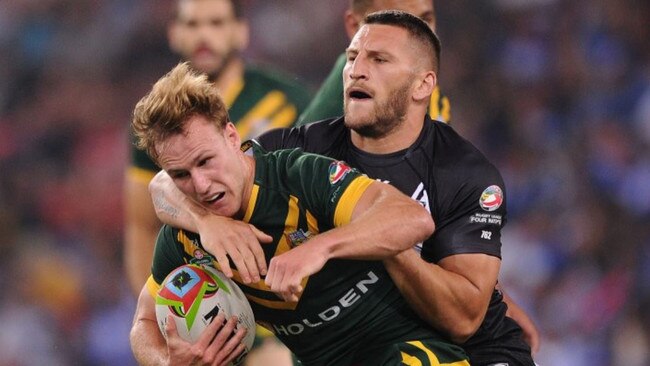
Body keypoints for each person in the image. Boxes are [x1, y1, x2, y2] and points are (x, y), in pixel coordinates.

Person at [151, 11, 538, 365]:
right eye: (352, 58)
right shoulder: (299, 152)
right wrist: (207, 222)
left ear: (424, 85)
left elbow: (464, 317)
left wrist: (371, 243)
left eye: (379, 60)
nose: (356, 71)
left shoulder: (464, 173)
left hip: (472, 348)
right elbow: (172, 177)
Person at [129, 62, 470, 366]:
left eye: (206, 161)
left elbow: (412, 219)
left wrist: (318, 249)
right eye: (181, 175)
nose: (201, 184)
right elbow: (143, 323)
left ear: (232, 137)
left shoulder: (297, 176)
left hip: (403, 348)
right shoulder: (186, 238)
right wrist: (167, 362)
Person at [300, 0, 540, 356]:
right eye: (394, 17)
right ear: (354, 26)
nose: (412, 32)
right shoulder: (345, 102)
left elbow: (444, 207)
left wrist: (488, 291)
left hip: (421, 310)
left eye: (424, 20)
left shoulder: (424, 95)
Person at [124, 0, 312, 296]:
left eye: (216, 23)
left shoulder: (291, 101)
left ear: (241, 32)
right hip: (212, 293)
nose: (203, 36)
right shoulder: (155, 125)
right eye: (192, 24)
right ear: (174, 33)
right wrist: (157, 312)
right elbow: (143, 225)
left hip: (290, 282)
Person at [297, 0, 450, 125]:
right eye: (396, 23)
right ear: (354, 27)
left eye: (426, 20)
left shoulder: (430, 90)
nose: (418, 36)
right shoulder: (341, 105)